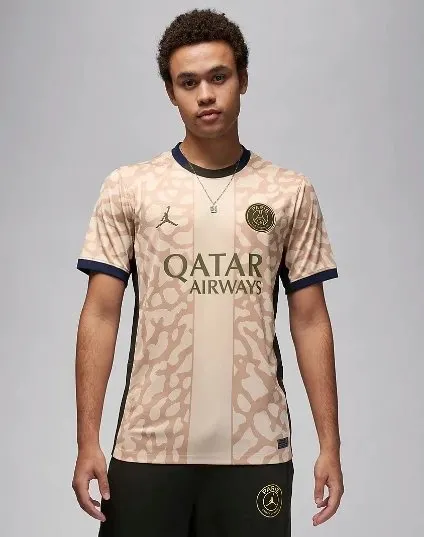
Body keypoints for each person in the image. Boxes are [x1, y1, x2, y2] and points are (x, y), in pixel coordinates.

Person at [71, 8, 344, 536]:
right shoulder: (130, 187)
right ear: (171, 92)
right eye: (188, 82)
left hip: (257, 449)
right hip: (148, 447)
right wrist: (87, 441)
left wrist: (330, 444)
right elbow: (101, 314)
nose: (206, 95)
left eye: (219, 77)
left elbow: (311, 320)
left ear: (243, 79)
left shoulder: (289, 192)